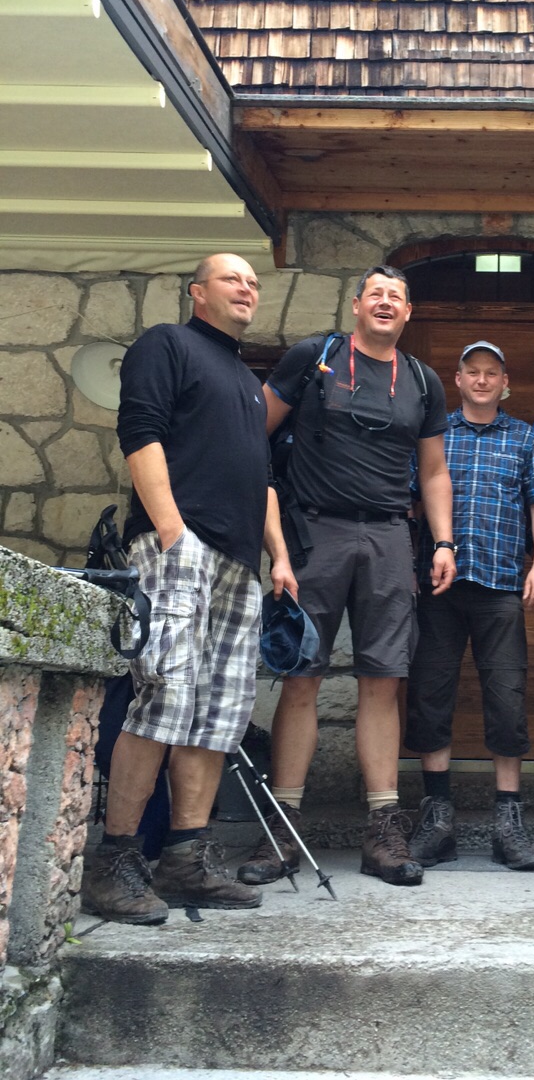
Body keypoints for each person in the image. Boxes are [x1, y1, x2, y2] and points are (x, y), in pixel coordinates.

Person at [82, 254, 295, 924]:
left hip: (238, 569)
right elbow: (138, 434)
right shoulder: (165, 345)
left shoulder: (244, 379)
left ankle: (185, 858)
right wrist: (174, 535)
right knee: (162, 703)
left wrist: (279, 556)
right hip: (178, 554)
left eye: (254, 283)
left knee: (216, 719)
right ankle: (114, 863)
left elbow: (260, 476)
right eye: (233, 279)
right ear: (198, 292)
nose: (247, 289)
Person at [237, 264, 455, 887]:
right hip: (315, 534)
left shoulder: (422, 380)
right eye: (376, 294)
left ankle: (383, 831)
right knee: (301, 678)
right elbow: (254, 436)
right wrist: (271, 535)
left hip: (389, 535)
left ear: (409, 314)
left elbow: (434, 472)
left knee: (383, 679)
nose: (386, 303)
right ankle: (283, 825)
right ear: (356, 305)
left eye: (398, 298)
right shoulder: (316, 356)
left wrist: (443, 541)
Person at [405, 341, 534, 871]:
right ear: (459, 380)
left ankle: (508, 823)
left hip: (501, 585)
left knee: (508, 699)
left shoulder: (524, 437)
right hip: (438, 589)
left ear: (504, 381)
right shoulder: (435, 434)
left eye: (493, 372)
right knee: (431, 694)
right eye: (474, 372)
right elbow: (412, 501)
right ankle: (437, 816)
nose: (483, 380)